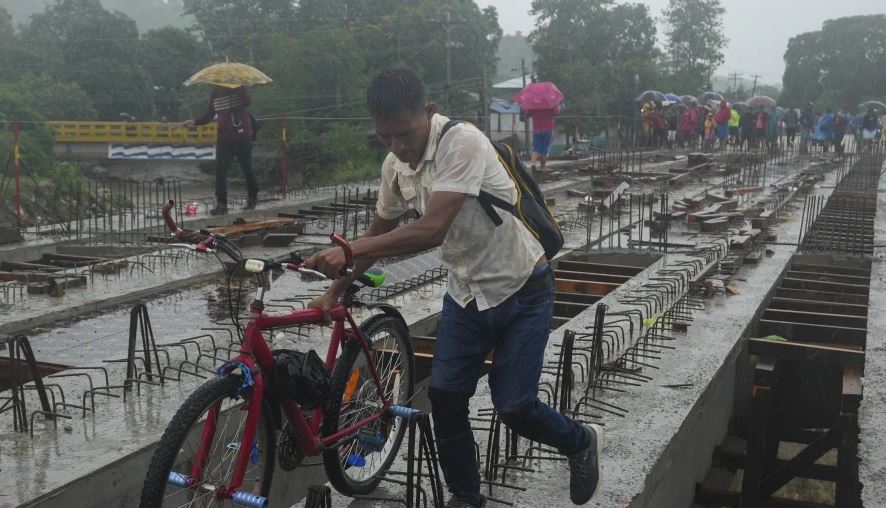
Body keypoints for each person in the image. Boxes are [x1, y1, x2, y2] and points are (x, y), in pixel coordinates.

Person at [305, 69, 602, 508]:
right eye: (385, 138)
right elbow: (378, 234)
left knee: (515, 405)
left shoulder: (462, 142)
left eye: (404, 133)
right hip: (466, 295)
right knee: (444, 396)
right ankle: (466, 497)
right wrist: (338, 289)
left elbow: (433, 229)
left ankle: (579, 441)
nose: (398, 147)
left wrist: (349, 251)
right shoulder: (395, 167)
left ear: (428, 112)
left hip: (522, 288)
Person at [183, 86, 258, 214]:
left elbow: (247, 102)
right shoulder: (215, 93)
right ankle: (221, 204)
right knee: (220, 170)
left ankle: (252, 198)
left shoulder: (239, 88)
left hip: (242, 136)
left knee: (247, 168)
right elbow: (209, 116)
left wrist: (239, 89)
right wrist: (194, 122)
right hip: (224, 138)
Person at [526, 105, 560, 172]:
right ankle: (542, 167)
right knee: (545, 148)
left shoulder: (533, 103)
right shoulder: (550, 103)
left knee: (535, 148)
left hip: (537, 129)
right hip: (548, 129)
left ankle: (533, 164)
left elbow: (527, 115)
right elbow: (557, 112)